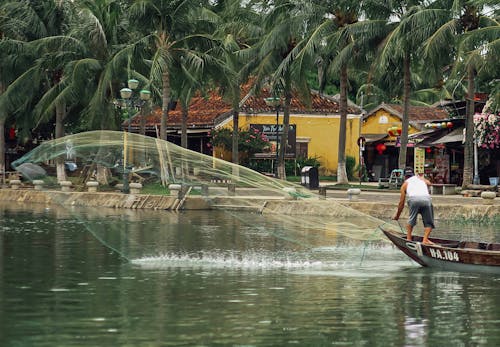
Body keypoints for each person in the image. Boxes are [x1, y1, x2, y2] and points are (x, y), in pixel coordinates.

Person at [392, 167, 435, 244]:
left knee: (411, 219)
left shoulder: (405, 184)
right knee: (428, 222)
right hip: (426, 199)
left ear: (404, 176)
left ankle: (408, 239)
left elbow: (401, 203)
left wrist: (397, 216)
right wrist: (421, 178)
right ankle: (425, 240)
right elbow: (429, 183)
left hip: (413, 199)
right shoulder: (421, 179)